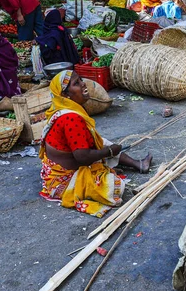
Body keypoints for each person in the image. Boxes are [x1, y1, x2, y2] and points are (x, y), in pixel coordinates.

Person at [38, 70, 153, 217]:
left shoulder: (64, 109)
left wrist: (107, 150)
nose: (83, 84)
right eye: (76, 84)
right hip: (62, 181)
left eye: (80, 79)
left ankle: (138, 164)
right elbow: (82, 157)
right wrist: (110, 151)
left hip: (60, 169)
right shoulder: (71, 118)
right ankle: (98, 173)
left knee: (100, 142)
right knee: (114, 187)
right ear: (66, 95)